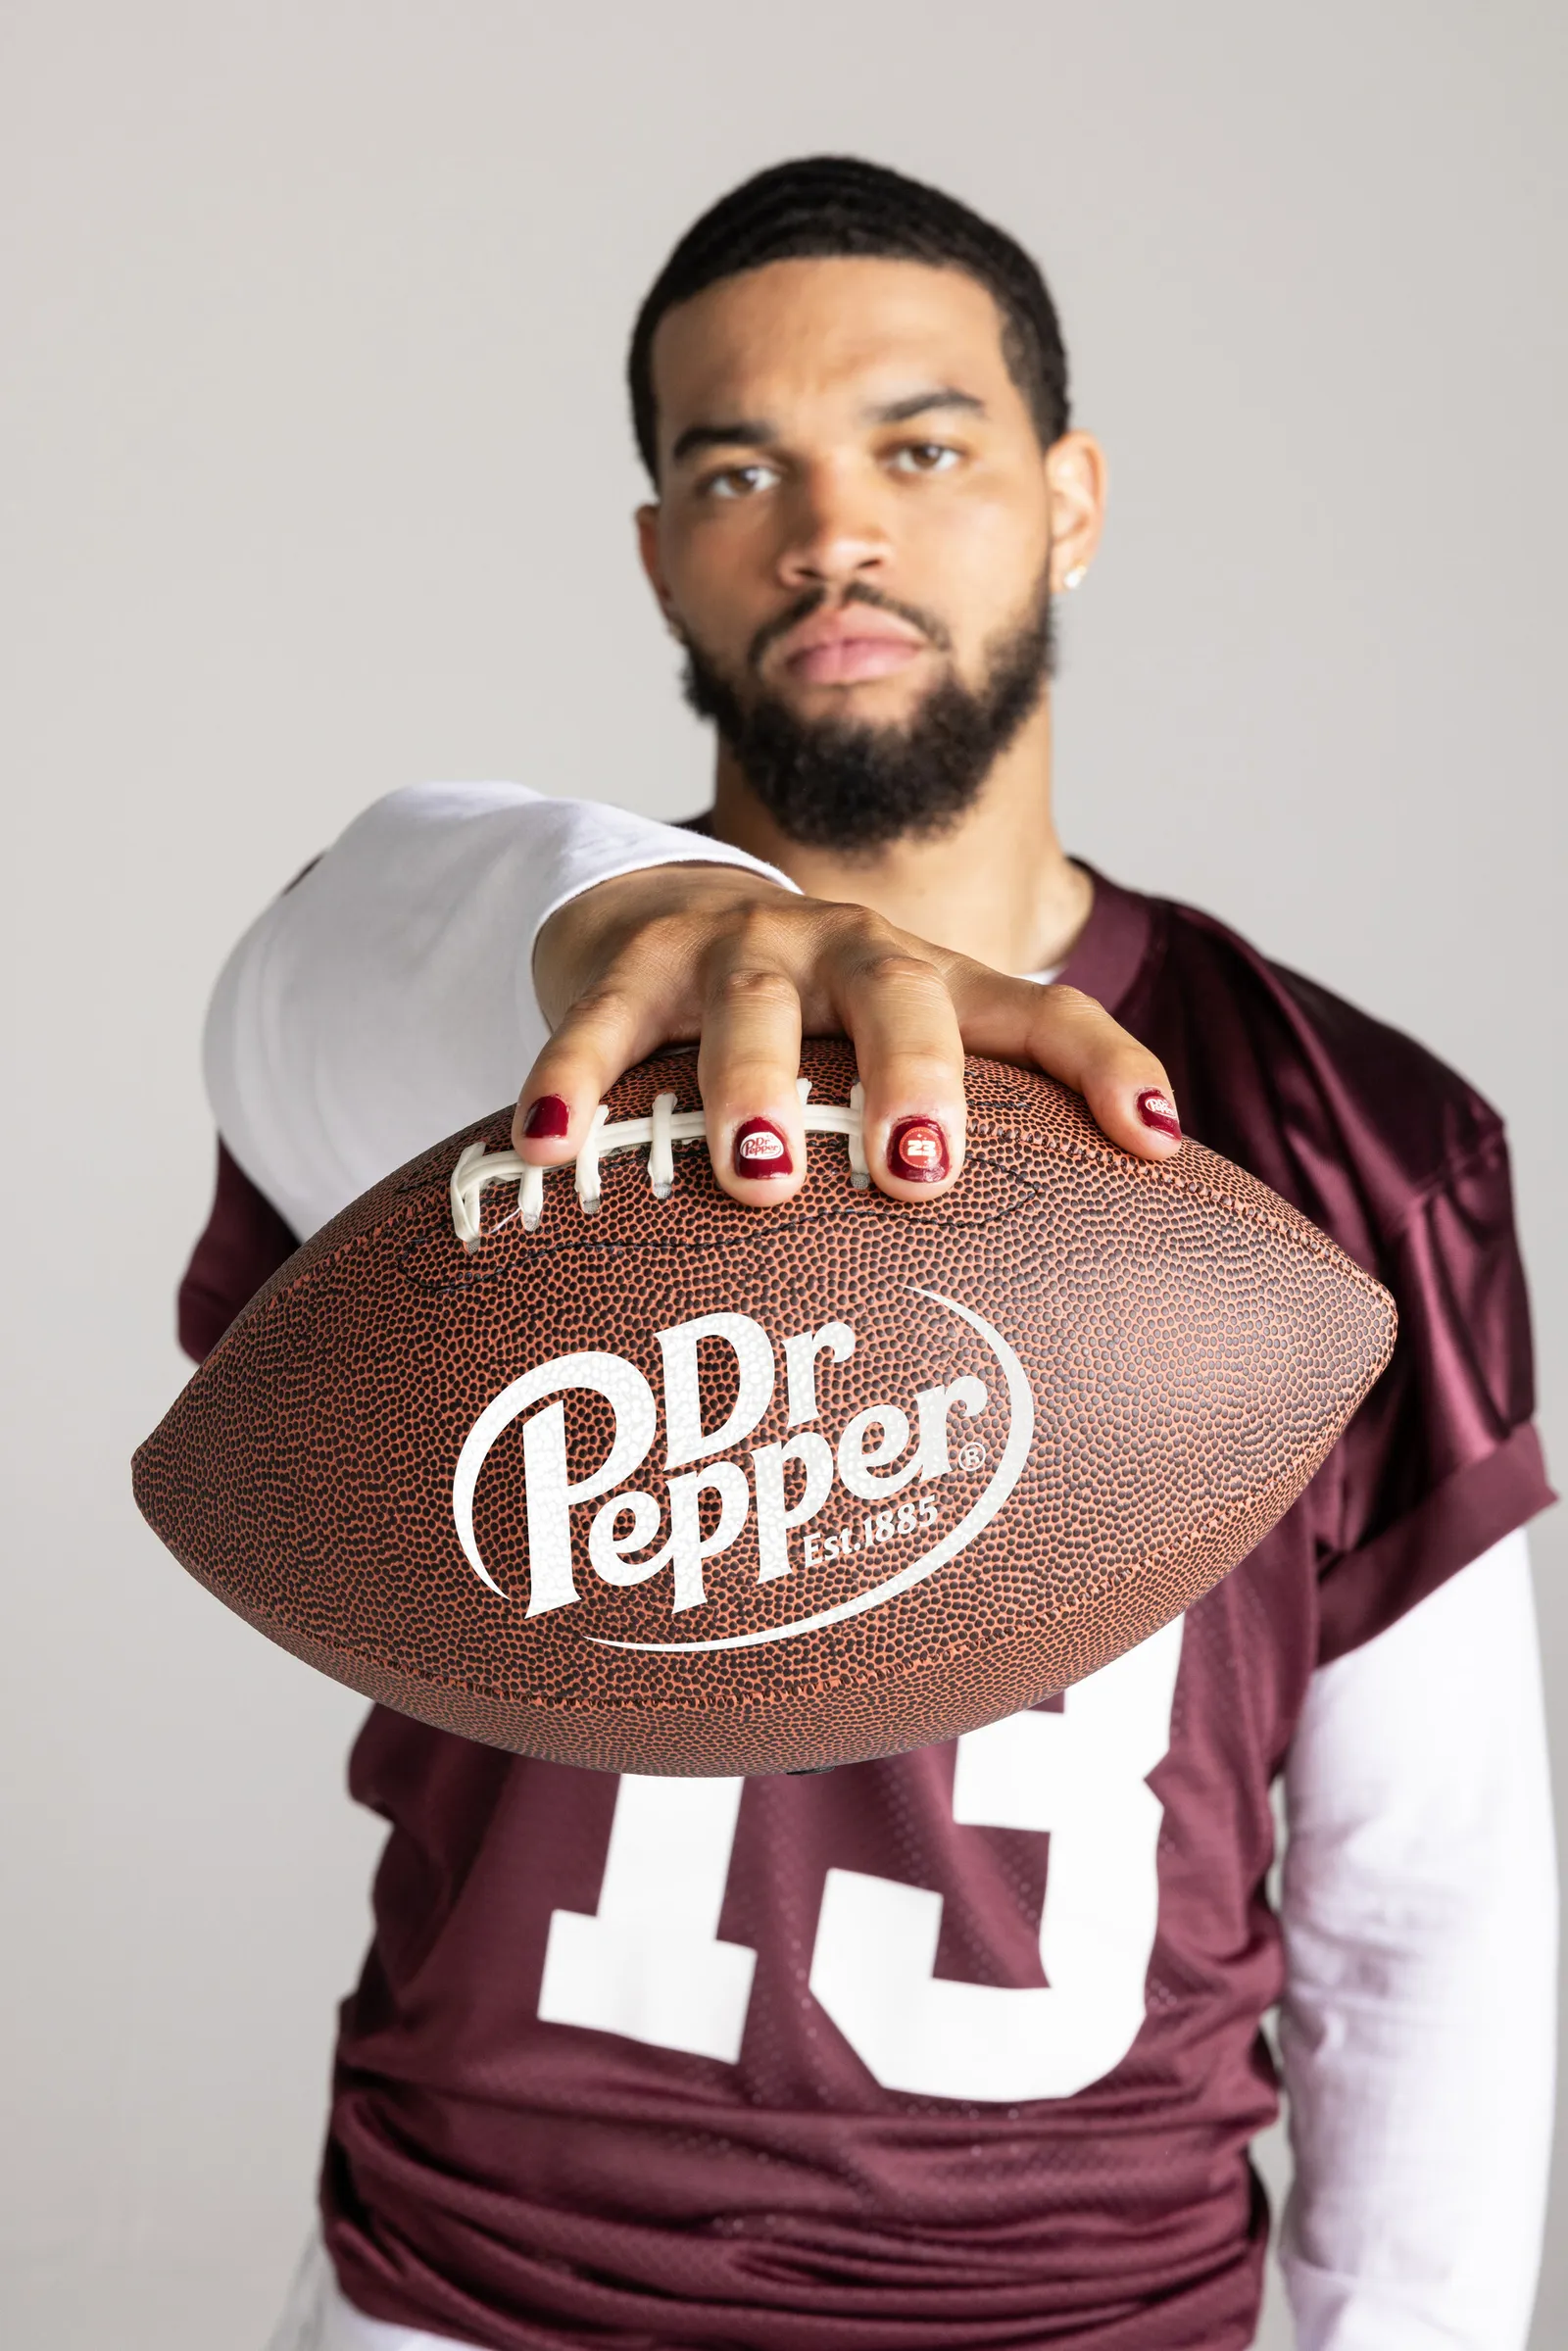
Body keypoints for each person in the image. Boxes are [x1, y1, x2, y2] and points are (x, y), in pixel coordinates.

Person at [182, 159, 1556, 2351]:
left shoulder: (1344, 1123)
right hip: (483, 2295)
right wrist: (610, 920)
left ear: (1065, 495)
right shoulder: (506, 1022)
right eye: (740, 469)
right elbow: (310, 970)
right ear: (656, 550)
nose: (833, 531)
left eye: (919, 448)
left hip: (1094, 2308)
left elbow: (1429, 1895)